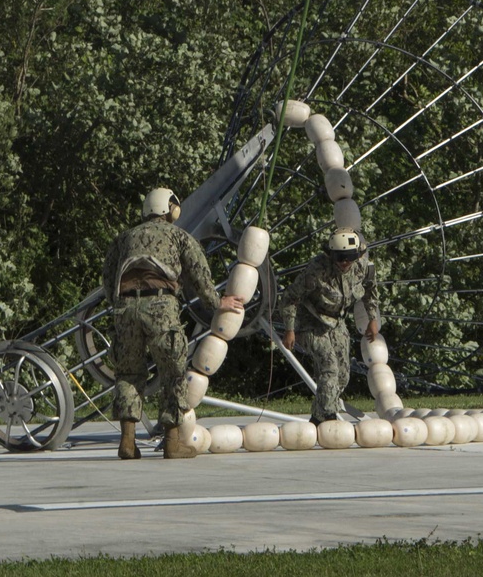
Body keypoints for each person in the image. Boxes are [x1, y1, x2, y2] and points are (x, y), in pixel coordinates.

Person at [102, 187, 245, 460]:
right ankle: (172, 442)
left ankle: (127, 441)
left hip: (125, 309)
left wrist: (120, 304)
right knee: (173, 373)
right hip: (161, 308)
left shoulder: (123, 238)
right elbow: (199, 273)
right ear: (171, 209)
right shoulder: (179, 236)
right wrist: (218, 302)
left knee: (128, 374)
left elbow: (108, 280)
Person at [279, 230, 380, 425]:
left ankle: (317, 418)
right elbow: (290, 298)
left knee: (342, 374)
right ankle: (329, 417)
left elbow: (370, 290)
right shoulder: (316, 270)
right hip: (310, 322)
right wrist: (290, 329)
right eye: (339, 258)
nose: (343, 262)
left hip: (336, 321)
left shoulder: (363, 267)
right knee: (329, 368)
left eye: (348, 257)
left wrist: (372, 318)